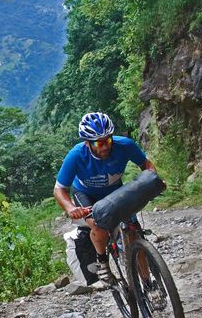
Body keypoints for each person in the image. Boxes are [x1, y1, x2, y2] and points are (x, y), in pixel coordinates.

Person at [53, 112, 157, 281]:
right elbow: (59, 189)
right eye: (99, 143)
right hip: (86, 194)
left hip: (115, 191)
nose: (105, 146)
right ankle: (102, 262)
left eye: (108, 140)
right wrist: (71, 208)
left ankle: (148, 283)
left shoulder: (125, 145)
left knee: (133, 231)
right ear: (87, 143)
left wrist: (153, 181)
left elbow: (146, 164)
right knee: (98, 226)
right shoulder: (76, 155)